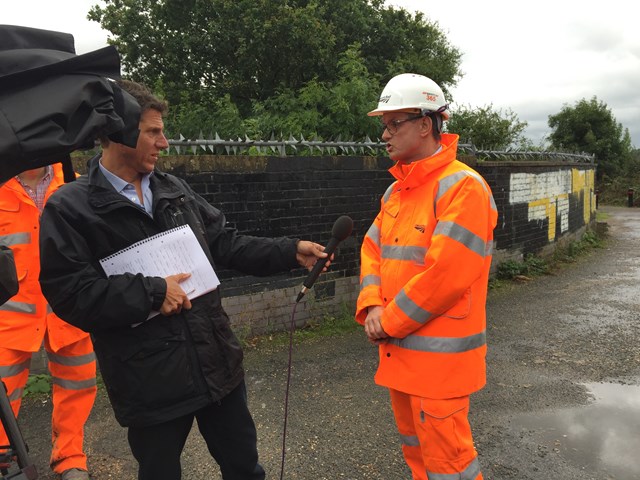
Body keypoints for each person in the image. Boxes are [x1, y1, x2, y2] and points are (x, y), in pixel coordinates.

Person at [38, 80, 330, 480]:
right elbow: (70, 293)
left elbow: (225, 243)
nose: (165, 142)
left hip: (215, 364)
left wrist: (288, 250)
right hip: (148, 380)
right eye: (153, 132)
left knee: (245, 468)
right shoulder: (71, 208)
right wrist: (153, 292)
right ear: (120, 133)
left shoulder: (174, 189)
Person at [356, 73, 498, 480]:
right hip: (402, 357)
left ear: (425, 124)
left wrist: (388, 321)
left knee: (450, 464)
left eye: (393, 123)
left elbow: (446, 275)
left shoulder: (464, 188)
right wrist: (370, 307)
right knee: (419, 458)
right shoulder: (396, 192)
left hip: (440, 368)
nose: (384, 134)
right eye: (383, 124)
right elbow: (372, 250)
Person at [0, 165, 97, 480]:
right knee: (2, 390)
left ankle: (70, 457)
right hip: (10, 313)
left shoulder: (76, 184)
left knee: (77, 385)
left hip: (69, 308)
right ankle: (2, 459)